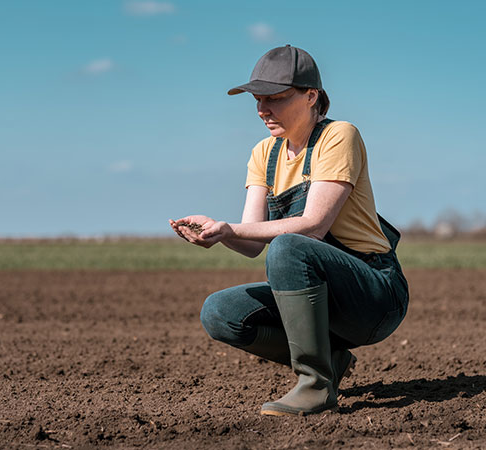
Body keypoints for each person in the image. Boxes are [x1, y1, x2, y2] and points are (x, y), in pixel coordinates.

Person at [169, 45, 409, 416]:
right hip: (323, 297)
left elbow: (313, 226)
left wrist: (235, 228)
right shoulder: (263, 154)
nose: (262, 110)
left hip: (374, 293)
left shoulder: (339, 136)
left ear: (311, 95)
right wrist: (220, 233)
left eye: (275, 99)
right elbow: (251, 241)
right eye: (258, 100)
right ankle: (331, 361)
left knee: (288, 247)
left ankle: (314, 385)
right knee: (220, 312)